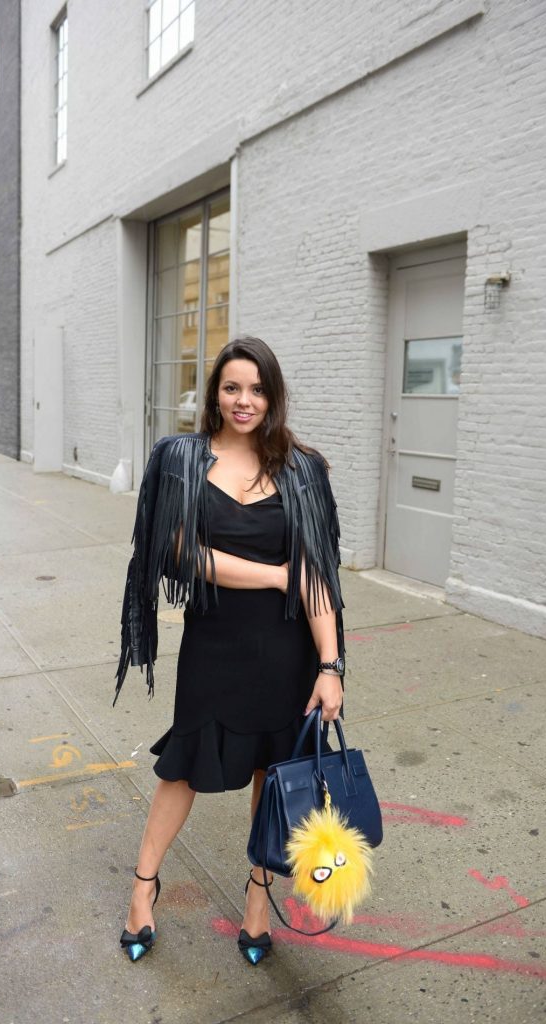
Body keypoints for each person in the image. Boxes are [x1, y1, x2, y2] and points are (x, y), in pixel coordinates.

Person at [115, 336, 345, 964]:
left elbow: (319, 573)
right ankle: (143, 888)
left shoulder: (302, 469)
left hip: (287, 652)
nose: (244, 401)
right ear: (214, 393)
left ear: (273, 397)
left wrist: (330, 665)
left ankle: (256, 899)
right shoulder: (182, 459)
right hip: (214, 645)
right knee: (183, 765)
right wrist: (275, 575)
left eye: (257, 389)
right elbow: (180, 553)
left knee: (274, 776)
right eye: (232, 387)